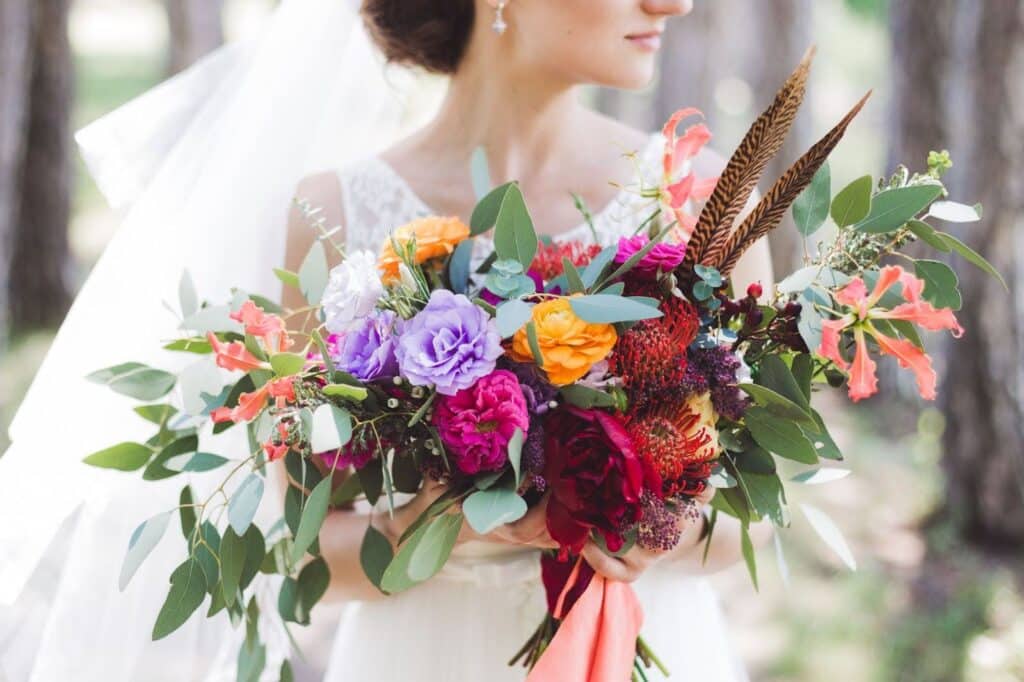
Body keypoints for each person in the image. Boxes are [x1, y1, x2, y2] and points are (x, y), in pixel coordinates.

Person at [281, 1, 775, 680]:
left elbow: (763, 520)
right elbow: (300, 551)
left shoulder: (702, 201)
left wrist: (653, 529)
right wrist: (424, 528)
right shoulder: (335, 217)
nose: (675, 4)